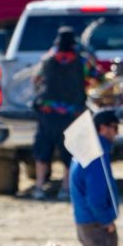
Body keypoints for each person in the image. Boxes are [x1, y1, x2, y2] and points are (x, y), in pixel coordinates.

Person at [70, 108, 121, 246]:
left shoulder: (85, 150)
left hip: (85, 223)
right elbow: (96, 195)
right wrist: (107, 219)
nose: (116, 133)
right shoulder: (96, 154)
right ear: (103, 128)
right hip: (98, 225)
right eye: (114, 128)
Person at [29, 27, 89, 200]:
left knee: (42, 151)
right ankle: (65, 188)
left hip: (47, 113)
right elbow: (96, 77)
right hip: (71, 114)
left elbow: (36, 79)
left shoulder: (47, 60)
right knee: (69, 152)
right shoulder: (81, 61)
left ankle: (39, 187)